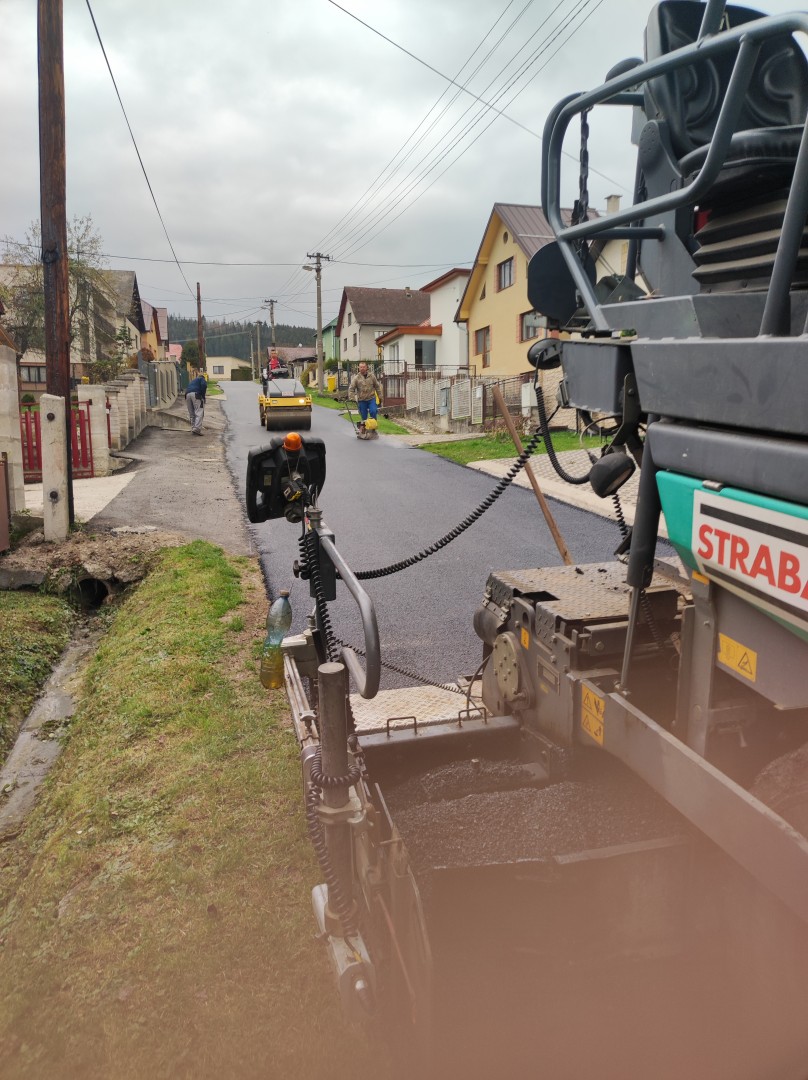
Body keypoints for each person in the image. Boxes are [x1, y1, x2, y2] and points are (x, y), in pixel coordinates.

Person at [185, 371, 207, 436]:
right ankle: (197, 429)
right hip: (196, 395)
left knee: (192, 413)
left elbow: (187, 388)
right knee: (199, 412)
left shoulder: (193, 381)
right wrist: (203, 396)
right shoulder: (202, 379)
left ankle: (193, 428)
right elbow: (204, 385)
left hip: (187, 395)